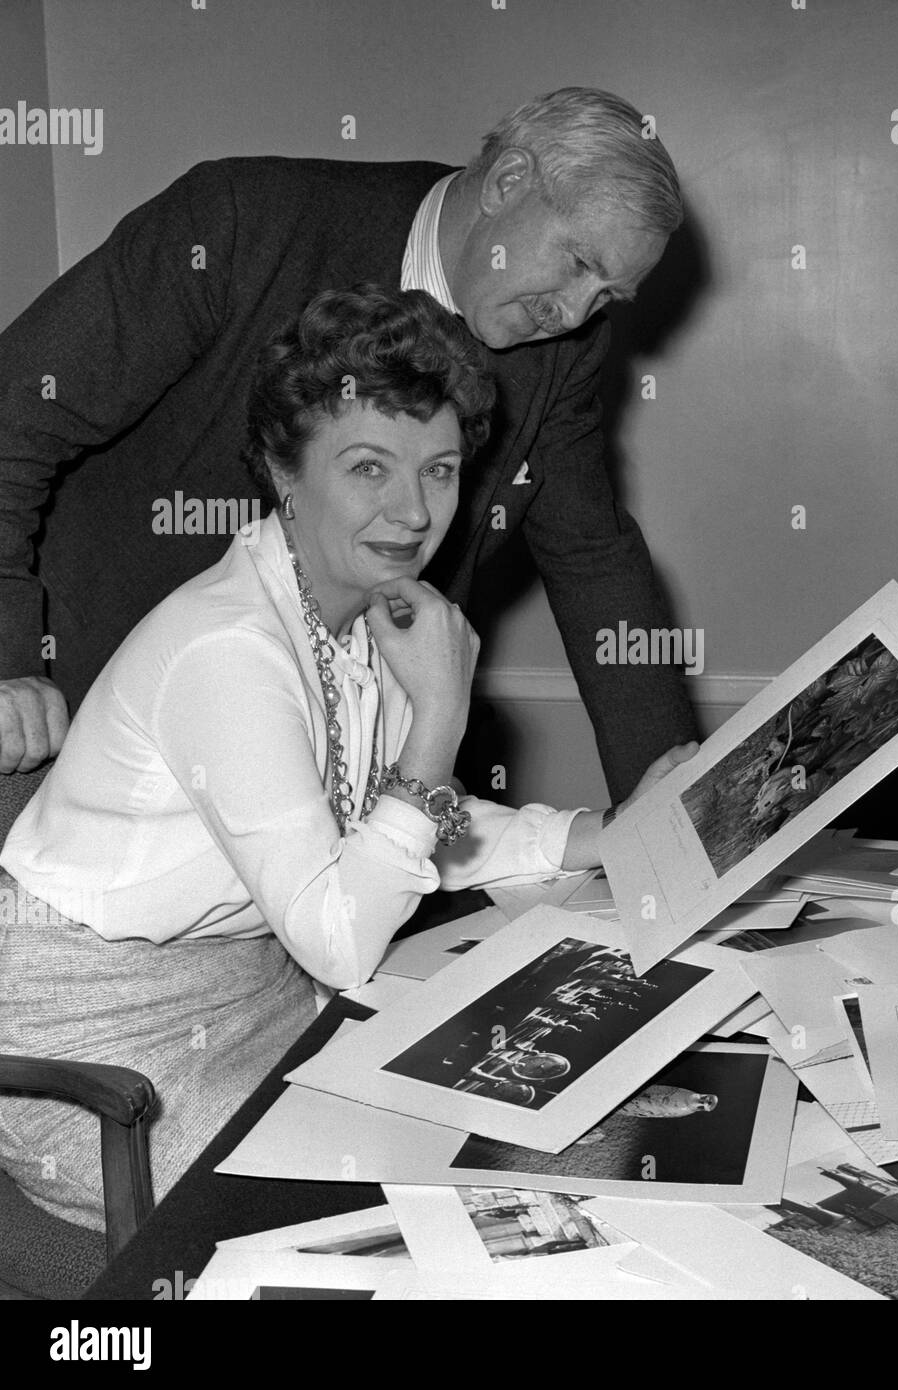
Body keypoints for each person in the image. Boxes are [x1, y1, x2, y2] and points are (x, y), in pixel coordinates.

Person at [0, 285, 695, 1233]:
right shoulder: (227, 650)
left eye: (442, 471)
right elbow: (341, 925)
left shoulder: (365, 610)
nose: (412, 512)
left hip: (260, 993)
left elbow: (395, 818)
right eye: (369, 468)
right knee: (426, 1208)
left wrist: (595, 834)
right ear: (286, 472)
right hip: (95, 1050)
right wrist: (441, 713)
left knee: (561, 1142)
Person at [0, 86, 698, 802]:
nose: (577, 313)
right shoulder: (242, 221)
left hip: (344, 762)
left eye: (609, 295)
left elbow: (592, 557)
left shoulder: (563, 349)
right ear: (508, 182)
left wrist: (679, 815)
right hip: (89, 730)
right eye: (580, 263)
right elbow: (14, 413)